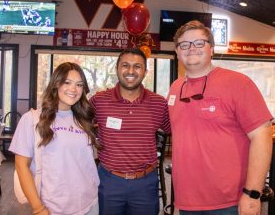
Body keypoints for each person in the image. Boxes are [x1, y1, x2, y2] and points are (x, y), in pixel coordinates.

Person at [168, 20, 273, 215]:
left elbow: (262, 135)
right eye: (184, 44)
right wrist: (178, 202)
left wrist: (252, 194)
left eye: (199, 43)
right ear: (177, 51)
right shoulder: (175, 88)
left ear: (212, 49)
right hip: (186, 202)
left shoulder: (238, 83)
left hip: (230, 202)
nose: (191, 48)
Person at [9, 62, 100, 215]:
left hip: (89, 203)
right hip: (53, 207)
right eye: (67, 82)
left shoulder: (83, 119)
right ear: (56, 84)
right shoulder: (32, 119)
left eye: (79, 85)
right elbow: (21, 166)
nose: (73, 89)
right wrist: (38, 208)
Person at [90, 48, 171, 215]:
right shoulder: (99, 101)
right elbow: (77, 123)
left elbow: (176, 129)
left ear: (145, 71)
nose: (131, 71)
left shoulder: (158, 103)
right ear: (117, 69)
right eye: (125, 65)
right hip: (109, 181)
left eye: (137, 66)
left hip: (145, 184)